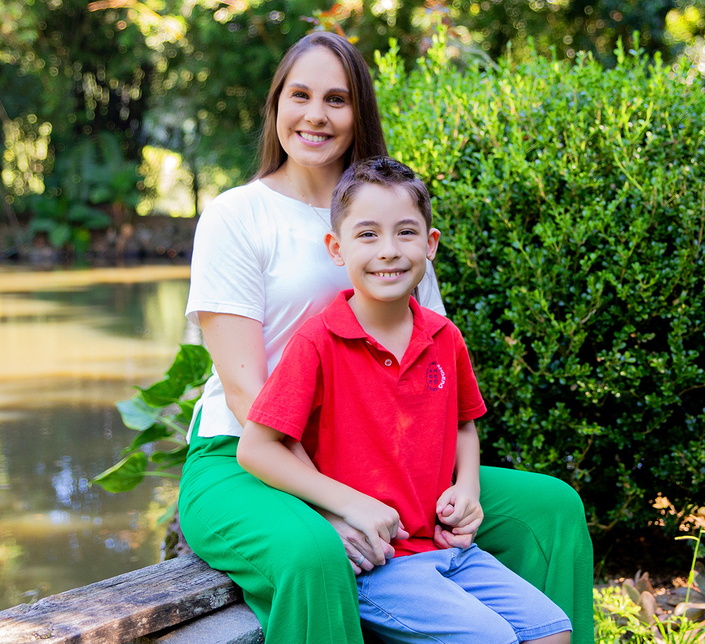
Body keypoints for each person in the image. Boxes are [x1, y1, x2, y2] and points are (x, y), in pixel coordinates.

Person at [178, 31, 593, 643]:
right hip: (247, 460)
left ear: (358, 113)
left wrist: (462, 488)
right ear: (275, 106)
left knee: (549, 509)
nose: (315, 115)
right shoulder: (237, 216)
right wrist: (331, 503)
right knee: (314, 553)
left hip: (381, 455)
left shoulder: (387, 213)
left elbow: (432, 358)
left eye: (337, 99)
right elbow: (249, 400)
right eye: (300, 95)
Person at [237, 156, 573, 644]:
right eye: (368, 235)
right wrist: (348, 505)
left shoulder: (444, 337)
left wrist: (470, 488)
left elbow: (464, 425)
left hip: (449, 551)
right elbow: (255, 447)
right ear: (336, 248)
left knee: (552, 632)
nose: (389, 251)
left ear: (430, 244)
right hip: (379, 562)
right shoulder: (317, 343)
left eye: (406, 233)